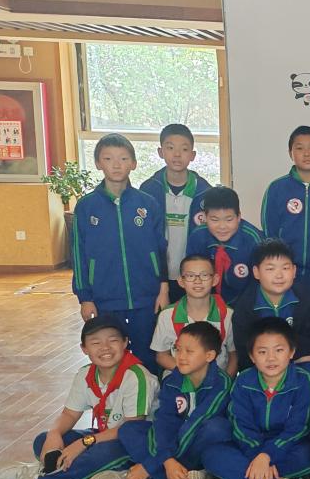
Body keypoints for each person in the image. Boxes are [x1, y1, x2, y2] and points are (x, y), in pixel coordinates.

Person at [0, 316, 159, 479]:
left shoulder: (137, 377)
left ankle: (40, 478)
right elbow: (69, 414)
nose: (105, 347)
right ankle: (76, 469)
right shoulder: (85, 374)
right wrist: (54, 434)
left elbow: (130, 429)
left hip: (137, 444)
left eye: (113, 340)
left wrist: (83, 443)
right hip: (103, 434)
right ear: (84, 349)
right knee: (43, 440)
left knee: (99, 454)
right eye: (95, 343)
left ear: (125, 343)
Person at [71, 133, 168, 369]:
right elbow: (79, 254)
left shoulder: (147, 204)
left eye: (123, 159)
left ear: (133, 163)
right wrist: (85, 298)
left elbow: (161, 249)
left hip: (145, 298)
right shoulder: (86, 206)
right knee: (112, 356)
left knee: (147, 355)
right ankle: (114, 393)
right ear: (98, 163)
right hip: (105, 299)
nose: (116, 165)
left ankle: (148, 393)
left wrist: (163, 288)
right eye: (108, 158)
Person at [201, 317, 310, 479]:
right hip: (251, 446)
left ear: (292, 352)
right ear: (251, 356)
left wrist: (267, 455)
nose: (271, 358)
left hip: (288, 446)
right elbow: (241, 425)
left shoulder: (304, 380)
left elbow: (299, 427)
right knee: (211, 455)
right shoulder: (243, 381)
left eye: (279, 350)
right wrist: (258, 455)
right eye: (262, 352)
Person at [114, 321, 232, 479]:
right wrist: (168, 460)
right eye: (177, 349)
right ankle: (181, 477)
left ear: (209, 355)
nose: (180, 356)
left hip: (198, 446)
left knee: (217, 428)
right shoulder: (171, 382)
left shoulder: (221, 383)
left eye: (189, 351)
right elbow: (164, 422)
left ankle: (153, 473)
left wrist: (154, 463)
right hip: (172, 445)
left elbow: (196, 423)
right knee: (129, 429)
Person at [261, 125, 310, 312]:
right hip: (287, 276)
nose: (306, 153)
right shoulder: (277, 189)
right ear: (290, 153)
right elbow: (269, 233)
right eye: (299, 148)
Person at [140, 123, 213, 301]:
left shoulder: (205, 192)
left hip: (194, 277)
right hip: (157, 276)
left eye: (184, 149)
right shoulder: (148, 190)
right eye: (170, 148)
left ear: (193, 155)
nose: (177, 154)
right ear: (160, 152)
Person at [231, 239, 310, 371]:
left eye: (285, 268)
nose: (279, 275)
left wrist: (290, 359)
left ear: (294, 271)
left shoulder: (306, 299)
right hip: (259, 367)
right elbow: (244, 350)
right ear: (256, 272)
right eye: (270, 269)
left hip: (298, 361)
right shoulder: (245, 306)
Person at [151, 254, 237, 376]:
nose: (198, 281)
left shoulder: (228, 314)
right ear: (181, 281)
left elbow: (234, 356)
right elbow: (161, 356)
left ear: (215, 280)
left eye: (204, 275)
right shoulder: (167, 315)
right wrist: (191, 374)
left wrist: (224, 383)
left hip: (217, 379)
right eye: (190, 276)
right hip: (179, 376)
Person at [185, 186, 264, 304]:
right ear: (205, 217)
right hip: (207, 301)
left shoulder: (253, 240)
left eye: (229, 219)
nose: (222, 226)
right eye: (214, 220)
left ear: (238, 217)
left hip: (246, 302)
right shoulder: (197, 237)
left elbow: (260, 283)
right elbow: (191, 275)